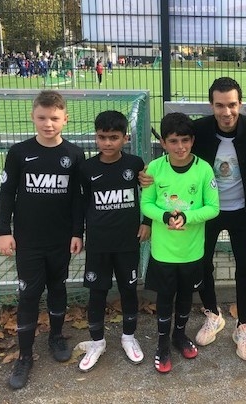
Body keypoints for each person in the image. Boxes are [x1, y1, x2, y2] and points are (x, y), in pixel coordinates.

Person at [140, 77, 246, 361]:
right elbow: (168, 167)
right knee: (203, 265)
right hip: (203, 213)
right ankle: (213, 314)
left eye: (232, 105)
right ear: (211, 105)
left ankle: (243, 326)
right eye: (220, 105)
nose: (227, 112)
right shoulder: (198, 130)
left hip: (240, 210)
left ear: (240, 104)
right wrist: (146, 179)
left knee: (245, 267)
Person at [0, 90, 85, 389]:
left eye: (54, 118)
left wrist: (78, 232)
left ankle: (56, 337)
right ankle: (24, 355)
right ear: (33, 117)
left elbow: (77, 199)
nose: (48, 124)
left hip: (60, 240)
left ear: (65, 119)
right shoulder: (19, 152)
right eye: (42, 118)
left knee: (58, 288)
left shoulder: (74, 154)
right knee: (29, 295)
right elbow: (7, 193)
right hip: (28, 242)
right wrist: (3, 231)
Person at [140, 112, 220, 373]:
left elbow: (213, 208)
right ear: (163, 143)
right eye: (173, 141)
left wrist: (187, 216)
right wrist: (165, 216)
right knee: (165, 299)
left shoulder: (204, 169)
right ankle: (162, 344)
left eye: (185, 140)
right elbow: (146, 204)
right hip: (164, 251)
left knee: (186, 296)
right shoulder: (154, 168)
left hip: (192, 251)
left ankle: (179, 335)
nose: (180, 146)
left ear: (193, 140)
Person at [76, 110, 151, 372]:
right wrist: (77, 234)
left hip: (127, 242)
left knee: (129, 290)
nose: (107, 143)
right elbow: (81, 204)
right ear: (96, 137)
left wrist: (147, 222)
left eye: (114, 137)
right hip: (98, 243)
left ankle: (128, 337)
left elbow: (150, 194)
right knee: (97, 292)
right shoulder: (87, 168)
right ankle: (97, 342)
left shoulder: (135, 164)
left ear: (125, 138)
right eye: (102, 137)